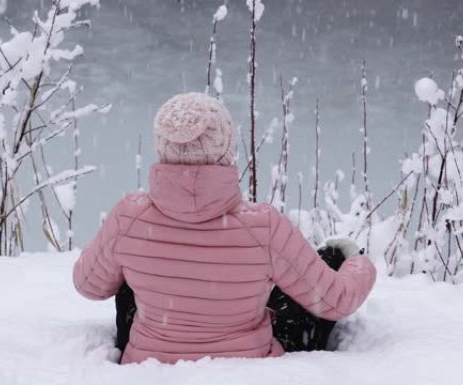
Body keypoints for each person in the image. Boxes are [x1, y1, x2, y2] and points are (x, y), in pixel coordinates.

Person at [73, 92, 377, 365]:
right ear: (226, 149)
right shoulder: (263, 225)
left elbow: (88, 285)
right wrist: (356, 261)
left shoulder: (130, 216)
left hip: (149, 362)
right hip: (248, 362)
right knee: (328, 260)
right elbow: (337, 300)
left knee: (128, 275)